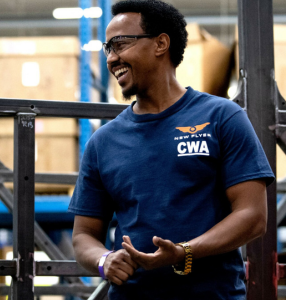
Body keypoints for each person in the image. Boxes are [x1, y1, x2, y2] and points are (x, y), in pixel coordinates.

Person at [68, 0, 274, 299]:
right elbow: (84, 235)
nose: (112, 59)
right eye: (108, 49)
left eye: (120, 44)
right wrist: (104, 260)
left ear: (161, 43)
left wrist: (183, 252)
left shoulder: (221, 117)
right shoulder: (104, 141)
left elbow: (253, 216)